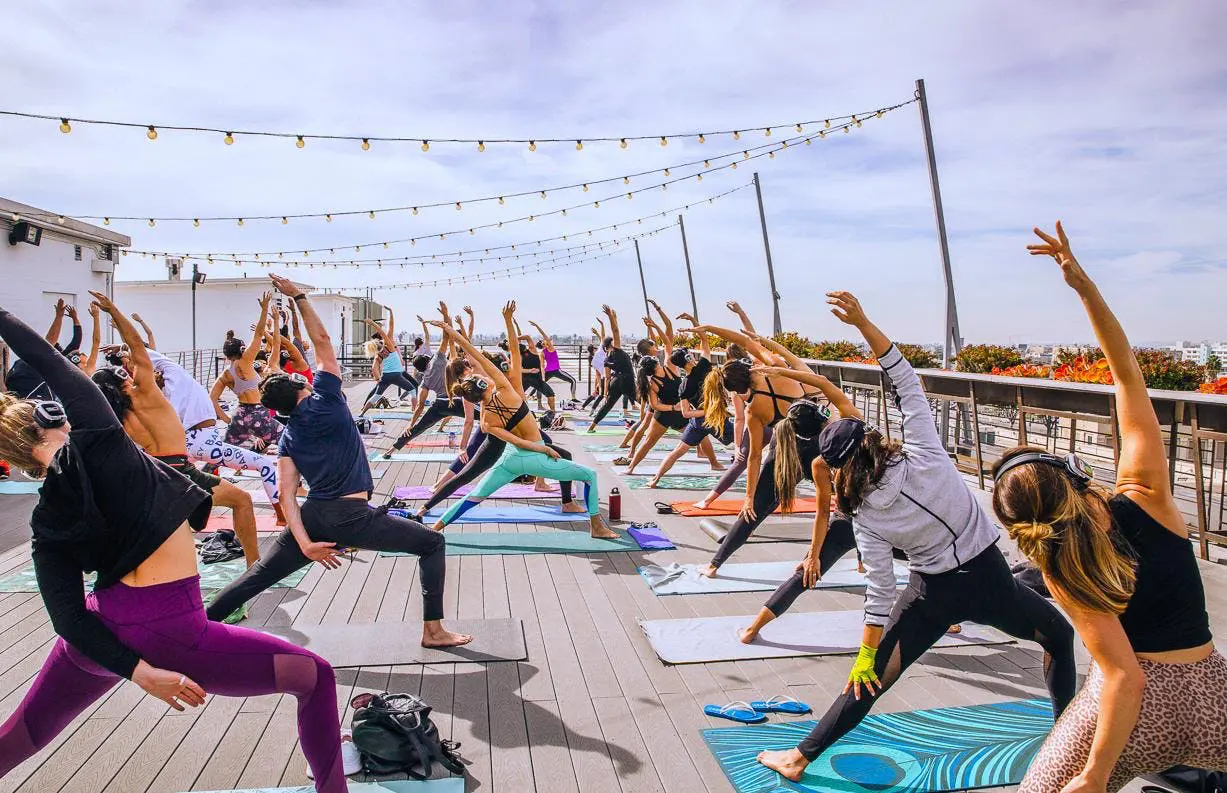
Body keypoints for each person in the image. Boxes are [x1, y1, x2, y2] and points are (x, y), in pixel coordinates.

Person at [0, 303, 348, 790]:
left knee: (24, 735)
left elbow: (68, 618)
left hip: (99, 635)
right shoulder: (102, 436)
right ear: (56, 417)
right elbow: (47, 359)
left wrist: (136, 672)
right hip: (174, 632)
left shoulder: (47, 520)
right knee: (314, 676)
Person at [756, 291, 1076, 783]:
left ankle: (799, 758)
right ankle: (1066, 741)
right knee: (1059, 635)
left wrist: (866, 651)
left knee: (870, 681)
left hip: (931, 597)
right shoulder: (923, 450)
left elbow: (881, 589)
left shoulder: (861, 514)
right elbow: (903, 377)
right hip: (990, 580)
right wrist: (863, 322)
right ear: (869, 438)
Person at [991, 223, 1227, 792]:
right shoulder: (1146, 496)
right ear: (1072, 475)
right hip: (1214, 696)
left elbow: (1126, 678)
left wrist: (1095, 775)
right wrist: (1084, 287)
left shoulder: (1061, 559)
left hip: (1135, 715)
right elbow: (1127, 375)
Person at [204, 275, 472, 651]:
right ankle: (433, 631)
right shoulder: (326, 401)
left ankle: (192, 635)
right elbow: (323, 342)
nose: (308, 382)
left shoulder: (289, 437)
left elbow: (286, 496)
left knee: (256, 578)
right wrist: (298, 297)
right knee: (431, 545)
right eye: (303, 381)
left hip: (314, 518)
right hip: (352, 517)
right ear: (300, 390)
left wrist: (305, 544)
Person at [85, 293, 261, 571]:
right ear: (125, 384)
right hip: (179, 470)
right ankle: (254, 569)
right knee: (242, 500)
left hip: (148, 473)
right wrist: (113, 312)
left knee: (167, 536)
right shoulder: (148, 396)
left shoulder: (114, 414)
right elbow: (138, 346)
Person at [427, 308, 617, 539]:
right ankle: (596, 526)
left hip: (509, 461)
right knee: (589, 476)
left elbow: (513, 440)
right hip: (534, 459)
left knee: (474, 496)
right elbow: (488, 353)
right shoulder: (506, 389)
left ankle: (435, 527)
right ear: (486, 384)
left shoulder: (486, 420)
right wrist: (544, 448)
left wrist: (449, 332)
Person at [211, 294, 283, 451]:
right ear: (242, 350)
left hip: (239, 414)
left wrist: (226, 419)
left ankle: (201, 474)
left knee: (223, 454)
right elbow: (258, 335)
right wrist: (264, 310)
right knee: (288, 441)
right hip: (257, 412)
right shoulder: (246, 361)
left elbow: (212, 398)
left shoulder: (225, 375)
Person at [4, 299, 82, 400]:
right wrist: (59, 317)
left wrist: (73, 318)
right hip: (29, 405)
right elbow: (49, 342)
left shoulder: (20, 364)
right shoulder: (30, 363)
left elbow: (75, 342)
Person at [358, 310, 418, 416]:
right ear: (381, 342)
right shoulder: (390, 346)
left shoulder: (378, 353)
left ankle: (362, 413)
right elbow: (385, 330)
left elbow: (374, 368)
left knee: (376, 396)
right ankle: (414, 411)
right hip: (396, 375)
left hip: (385, 376)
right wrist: (374, 322)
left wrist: (377, 379)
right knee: (412, 390)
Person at [586, 306, 637, 431]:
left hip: (615, 381)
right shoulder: (617, 350)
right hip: (627, 379)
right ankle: (652, 423)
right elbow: (615, 330)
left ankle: (592, 426)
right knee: (645, 401)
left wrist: (605, 393)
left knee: (607, 405)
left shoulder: (606, 358)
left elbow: (607, 377)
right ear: (612, 344)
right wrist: (610, 317)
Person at [530, 320, 577, 401]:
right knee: (573, 380)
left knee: (539, 384)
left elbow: (542, 366)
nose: (546, 340)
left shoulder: (542, 353)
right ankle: (573, 398)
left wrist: (543, 377)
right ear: (544, 343)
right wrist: (537, 326)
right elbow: (544, 335)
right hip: (556, 371)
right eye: (544, 341)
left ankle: (531, 396)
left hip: (548, 371)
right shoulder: (551, 348)